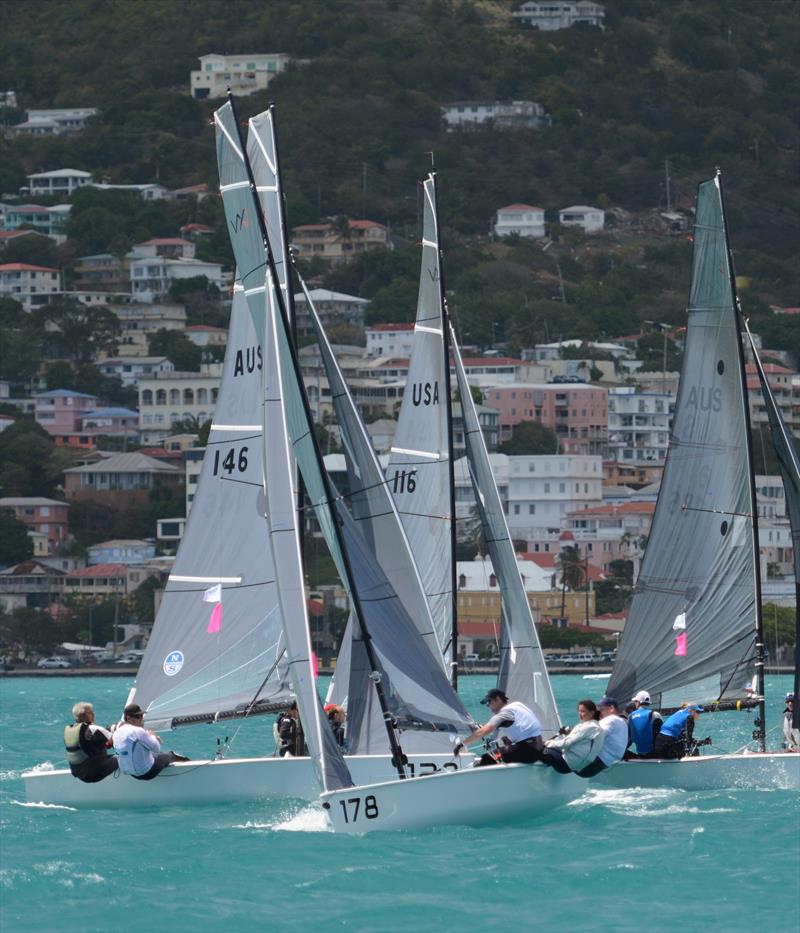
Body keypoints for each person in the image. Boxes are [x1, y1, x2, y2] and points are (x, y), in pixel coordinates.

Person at [454, 688, 543, 765]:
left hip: (528, 751)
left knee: (488, 758)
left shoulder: (504, 713)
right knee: (500, 753)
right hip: (538, 746)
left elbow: (484, 731)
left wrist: (461, 745)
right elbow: (522, 727)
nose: (488, 706)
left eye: (489, 702)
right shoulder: (517, 705)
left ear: (498, 699)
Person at [112, 704, 189, 780]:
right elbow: (157, 748)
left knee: (149, 753)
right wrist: (154, 737)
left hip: (129, 773)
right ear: (128, 718)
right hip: (147, 772)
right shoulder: (139, 731)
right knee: (168, 755)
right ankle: (188, 762)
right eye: (138, 716)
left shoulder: (116, 733)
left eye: (141, 716)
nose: (141, 719)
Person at [539, 699, 605, 777]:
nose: (580, 714)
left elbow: (566, 743)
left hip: (566, 764)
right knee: (548, 747)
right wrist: (568, 734)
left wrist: (546, 743)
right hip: (573, 764)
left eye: (583, 711)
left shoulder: (590, 727)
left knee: (538, 749)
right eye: (579, 711)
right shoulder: (594, 727)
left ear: (591, 713)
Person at [63, 701, 118, 784]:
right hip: (96, 773)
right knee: (123, 756)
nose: (93, 714)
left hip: (80, 774)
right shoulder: (94, 729)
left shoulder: (71, 730)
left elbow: (87, 743)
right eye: (90, 712)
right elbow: (119, 742)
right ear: (82, 715)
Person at [626, 689, 663, 759]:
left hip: (640, 753)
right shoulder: (655, 714)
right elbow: (662, 735)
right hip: (654, 754)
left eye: (635, 701)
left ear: (638, 702)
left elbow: (629, 737)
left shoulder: (630, 716)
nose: (635, 703)